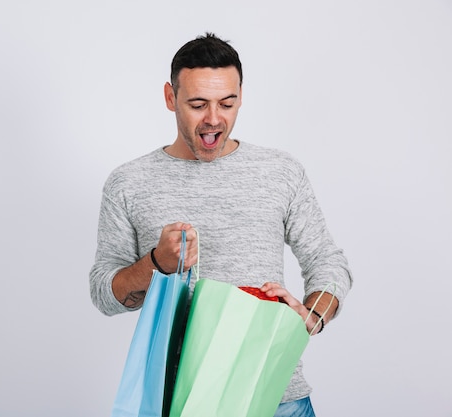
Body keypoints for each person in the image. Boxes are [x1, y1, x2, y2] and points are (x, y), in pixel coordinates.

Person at [89, 32, 352, 417]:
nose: (214, 119)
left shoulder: (280, 172)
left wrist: (311, 315)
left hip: (277, 398)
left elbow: (330, 264)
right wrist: (156, 263)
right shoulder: (129, 182)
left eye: (227, 103)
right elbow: (104, 294)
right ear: (169, 97)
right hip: (177, 401)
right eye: (197, 104)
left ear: (241, 96)